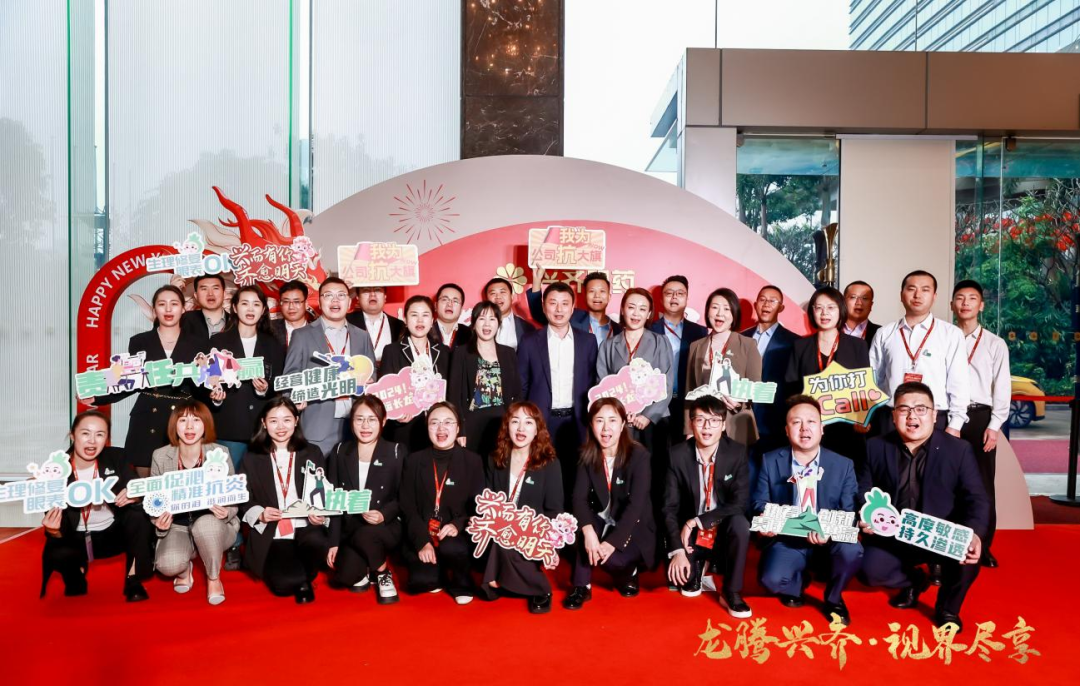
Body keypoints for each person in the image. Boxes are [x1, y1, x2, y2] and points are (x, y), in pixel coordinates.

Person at [858, 382, 989, 632]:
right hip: (894, 534)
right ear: (893, 415)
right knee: (868, 569)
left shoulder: (958, 450)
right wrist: (867, 514)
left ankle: (948, 609)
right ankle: (914, 580)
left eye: (920, 409)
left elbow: (977, 499)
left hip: (940, 534)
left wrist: (974, 533)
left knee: (970, 551)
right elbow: (862, 489)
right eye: (904, 409)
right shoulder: (875, 446)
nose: (912, 416)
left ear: (934, 414)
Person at [754, 396, 863, 626]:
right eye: (796, 422)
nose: (804, 428)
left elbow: (850, 512)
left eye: (811, 422)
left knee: (852, 550)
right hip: (788, 539)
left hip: (829, 540)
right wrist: (765, 521)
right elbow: (759, 502)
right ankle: (798, 580)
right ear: (787, 430)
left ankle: (833, 599)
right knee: (771, 580)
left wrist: (830, 532)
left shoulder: (843, 465)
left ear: (822, 428)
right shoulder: (770, 460)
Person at [93, 284, 206, 477]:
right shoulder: (139, 341)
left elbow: (203, 387)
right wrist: (96, 395)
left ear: (183, 309)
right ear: (154, 310)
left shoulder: (199, 343)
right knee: (145, 486)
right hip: (147, 420)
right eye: (162, 304)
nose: (168, 309)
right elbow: (127, 380)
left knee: (180, 483)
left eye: (174, 304)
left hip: (182, 419)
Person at [40, 411, 154, 602]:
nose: (92, 441)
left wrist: (135, 494)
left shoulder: (116, 457)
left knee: (138, 514)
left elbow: (138, 487)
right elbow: (58, 522)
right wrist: (54, 531)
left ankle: (133, 579)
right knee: (58, 551)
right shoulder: (55, 469)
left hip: (112, 534)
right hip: (73, 537)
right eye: (85, 433)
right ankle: (75, 576)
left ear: (106, 439)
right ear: (72, 435)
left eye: (100, 434)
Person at [663, 396, 752, 619]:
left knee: (741, 523)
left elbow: (740, 502)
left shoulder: (736, 452)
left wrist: (698, 521)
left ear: (723, 425)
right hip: (689, 534)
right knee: (683, 582)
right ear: (691, 423)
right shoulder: (677, 455)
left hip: (720, 527)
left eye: (713, 420)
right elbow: (669, 507)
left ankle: (731, 591)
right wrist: (677, 551)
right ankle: (699, 560)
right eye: (700, 419)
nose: (706, 427)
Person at [564, 398, 655, 610]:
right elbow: (578, 499)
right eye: (599, 420)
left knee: (613, 560)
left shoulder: (639, 456)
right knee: (580, 530)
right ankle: (581, 586)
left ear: (623, 424)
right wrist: (588, 532)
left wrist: (610, 543)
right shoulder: (586, 455)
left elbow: (636, 507)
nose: (606, 428)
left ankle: (629, 572)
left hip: (632, 526)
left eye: (612, 420)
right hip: (601, 520)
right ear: (591, 425)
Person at [239, 397, 331, 603]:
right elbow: (243, 496)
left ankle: (304, 576)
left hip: (306, 525)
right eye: (273, 421)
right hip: (274, 529)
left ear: (296, 421)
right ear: (264, 423)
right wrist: (260, 513)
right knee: (284, 584)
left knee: (319, 542)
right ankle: (300, 577)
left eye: (287, 420)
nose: (281, 427)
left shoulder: (312, 452)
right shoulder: (252, 456)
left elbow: (323, 491)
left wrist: (321, 513)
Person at [150, 400, 239, 606]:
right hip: (178, 526)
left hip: (213, 525)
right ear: (174, 426)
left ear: (205, 424)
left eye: (196, 420)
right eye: (183, 420)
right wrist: (158, 520)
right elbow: (154, 501)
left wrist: (226, 511)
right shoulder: (160, 456)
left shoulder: (220, 452)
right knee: (168, 565)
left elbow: (234, 497)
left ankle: (213, 577)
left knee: (205, 525)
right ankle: (185, 568)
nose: (189, 427)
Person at [480, 402, 564, 614]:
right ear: (507, 426)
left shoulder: (549, 463)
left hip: (533, 530)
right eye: (515, 421)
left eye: (528, 423)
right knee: (501, 536)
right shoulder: (494, 459)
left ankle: (530, 586)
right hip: (500, 527)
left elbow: (554, 510)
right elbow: (488, 501)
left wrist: (549, 543)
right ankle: (519, 582)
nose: (520, 428)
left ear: (537, 430)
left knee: (507, 540)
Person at [518, 282, 599, 495]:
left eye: (564, 303)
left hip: (577, 420)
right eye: (553, 303)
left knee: (576, 477)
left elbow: (594, 382)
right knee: (540, 474)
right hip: (542, 420)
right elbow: (522, 384)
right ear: (544, 307)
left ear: (573, 308)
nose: (559, 309)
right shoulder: (529, 341)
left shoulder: (588, 341)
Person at [399, 402, 485, 603]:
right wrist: (422, 542)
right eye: (434, 423)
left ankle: (461, 578)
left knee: (452, 548)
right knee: (421, 582)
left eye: (448, 422)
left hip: (456, 536)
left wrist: (458, 524)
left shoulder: (473, 461)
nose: (441, 429)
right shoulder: (413, 461)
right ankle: (438, 570)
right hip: (424, 532)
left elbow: (479, 506)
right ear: (427, 427)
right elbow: (407, 507)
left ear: (457, 428)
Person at [951, 279, 1010, 569]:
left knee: (983, 484)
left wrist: (995, 425)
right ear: (951, 304)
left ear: (981, 305)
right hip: (949, 415)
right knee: (947, 482)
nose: (965, 303)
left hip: (979, 418)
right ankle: (949, 543)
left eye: (972, 298)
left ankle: (983, 545)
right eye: (960, 298)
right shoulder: (944, 338)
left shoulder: (995, 344)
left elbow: (1002, 387)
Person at [283, 277, 377, 456]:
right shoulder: (302, 336)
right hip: (317, 424)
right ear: (319, 302)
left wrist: (370, 382)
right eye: (328, 295)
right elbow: (289, 379)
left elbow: (372, 374)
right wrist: (294, 399)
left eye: (341, 295)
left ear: (349, 302)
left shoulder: (362, 336)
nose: (335, 300)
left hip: (356, 424)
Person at [869, 270, 969, 436]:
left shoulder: (951, 334)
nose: (917, 295)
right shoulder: (884, 333)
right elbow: (874, 380)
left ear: (934, 296)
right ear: (901, 295)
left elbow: (959, 382)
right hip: (891, 417)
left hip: (935, 418)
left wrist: (955, 425)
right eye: (911, 289)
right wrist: (868, 417)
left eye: (925, 290)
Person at [326, 396, 404, 604]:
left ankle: (382, 572)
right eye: (359, 419)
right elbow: (334, 500)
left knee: (366, 535)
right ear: (351, 422)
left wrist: (383, 514)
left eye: (372, 419)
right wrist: (333, 542)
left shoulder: (396, 452)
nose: (365, 426)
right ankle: (367, 562)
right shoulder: (340, 451)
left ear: (383, 421)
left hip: (385, 526)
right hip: (352, 527)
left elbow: (403, 497)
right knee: (344, 576)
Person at [786, 287, 871, 470]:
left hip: (847, 429)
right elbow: (791, 389)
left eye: (831, 307)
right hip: (810, 429)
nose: (824, 313)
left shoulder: (858, 346)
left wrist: (863, 418)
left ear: (841, 310)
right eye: (819, 308)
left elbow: (864, 388)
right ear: (812, 312)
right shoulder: (800, 346)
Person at [209, 286, 285, 470]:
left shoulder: (273, 344)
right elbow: (208, 383)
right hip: (229, 428)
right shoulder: (218, 342)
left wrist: (265, 389)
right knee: (228, 481)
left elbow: (278, 383)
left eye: (256, 304)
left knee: (261, 482)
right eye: (245, 303)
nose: (250, 309)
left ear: (264, 309)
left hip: (262, 429)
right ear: (235, 308)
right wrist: (216, 398)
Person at [684, 288, 763, 447]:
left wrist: (739, 403)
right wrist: (689, 429)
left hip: (736, 423)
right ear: (708, 311)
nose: (720, 313)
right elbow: (690, 390)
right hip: (704, 426)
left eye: (726, 309)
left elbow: (755, 386)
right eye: (715, 307)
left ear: (734, 314)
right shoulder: (696, 346)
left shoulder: (747, 345)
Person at [596, 287, 674, 443]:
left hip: (654, 420)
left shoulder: (660, 342)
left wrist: (647, 416)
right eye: (631, 307)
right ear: (622, 310)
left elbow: (666, 383)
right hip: (619, 421)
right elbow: (602, 383)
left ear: (649, 314)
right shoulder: (607, 345)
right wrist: (619, 412)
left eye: (642, 309)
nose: (636, 314)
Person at [447, 301, 522, 459]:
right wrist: (460, 429)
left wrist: (514, 421)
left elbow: (517, 392)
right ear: (474, 324)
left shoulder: (508, 353)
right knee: (473, 466)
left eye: (492, 319)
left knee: (500, 464)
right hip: (472, 421)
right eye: (482, 319)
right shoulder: (461, 353)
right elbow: (454, 395)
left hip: (502, 421)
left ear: (498, 324)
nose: (487, 324)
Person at [380, 295, 452, 451]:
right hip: (405, 430)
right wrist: (396, 415)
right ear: (405, 320)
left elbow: (451, 392)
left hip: (438, 429)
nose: (420, 321)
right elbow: (385, 394)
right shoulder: (392, 351)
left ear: (432, 320)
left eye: (425, 315)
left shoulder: (444, 352)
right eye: (414, 315)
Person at [648, 275, 708, 446]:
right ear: (661, 299)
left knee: (684, 454)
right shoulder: (649, 329)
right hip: (655, 404)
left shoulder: (700, 332)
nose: (674, 297)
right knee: (656, 453)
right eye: (669, 293)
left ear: (687, 299)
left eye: (680, 293)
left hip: (687, 403)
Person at [741, 285, 799, 451]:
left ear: (781, 307)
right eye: (762, 300)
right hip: (740, 419)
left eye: (773, 301)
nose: (766, 304)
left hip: (774, 422)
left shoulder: (794, 342)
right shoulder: (740, 338)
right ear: (755, 304)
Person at [528, 269, 622, 346]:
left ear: (609, 296)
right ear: (585, 295)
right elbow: (539, 314)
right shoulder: (572, 317)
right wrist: (537, 280)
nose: (597, 295)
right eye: (592, 291)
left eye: (602, 291)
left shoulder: (619, 330)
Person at [346, 285, 405, 368]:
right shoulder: (346, 321)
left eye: (377, 290)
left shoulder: (398, 325)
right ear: (358, 297)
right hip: (355, 373)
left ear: (385, 296)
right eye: (366, 290)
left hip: (389, 374)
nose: (372, 295)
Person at [484, 276, 535, 351]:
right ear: (486, 300)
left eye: (502, 292)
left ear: (511, 297)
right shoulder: (477, 327)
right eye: (493, 293)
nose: (498, 297)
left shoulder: (528, 328)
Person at [180, 273, 234, 340]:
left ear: (224, 293)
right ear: (196, 296)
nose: (210, 294)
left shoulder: (235, 322)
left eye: (215, 288)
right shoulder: (184, 320)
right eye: (204, 289)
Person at [270, 279, 311, 350]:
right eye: (286, 302)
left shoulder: (317, 331)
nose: (291, 307)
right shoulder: (269, 329)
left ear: (306, 304)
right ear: (280, 303)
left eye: (296, 301)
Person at [433, 282, 473, 349]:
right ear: (435, 306)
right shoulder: (425, 331)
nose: (449, 304)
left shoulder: (470, 334)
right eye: (444, 300)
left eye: (455, 301)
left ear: (461, 310)